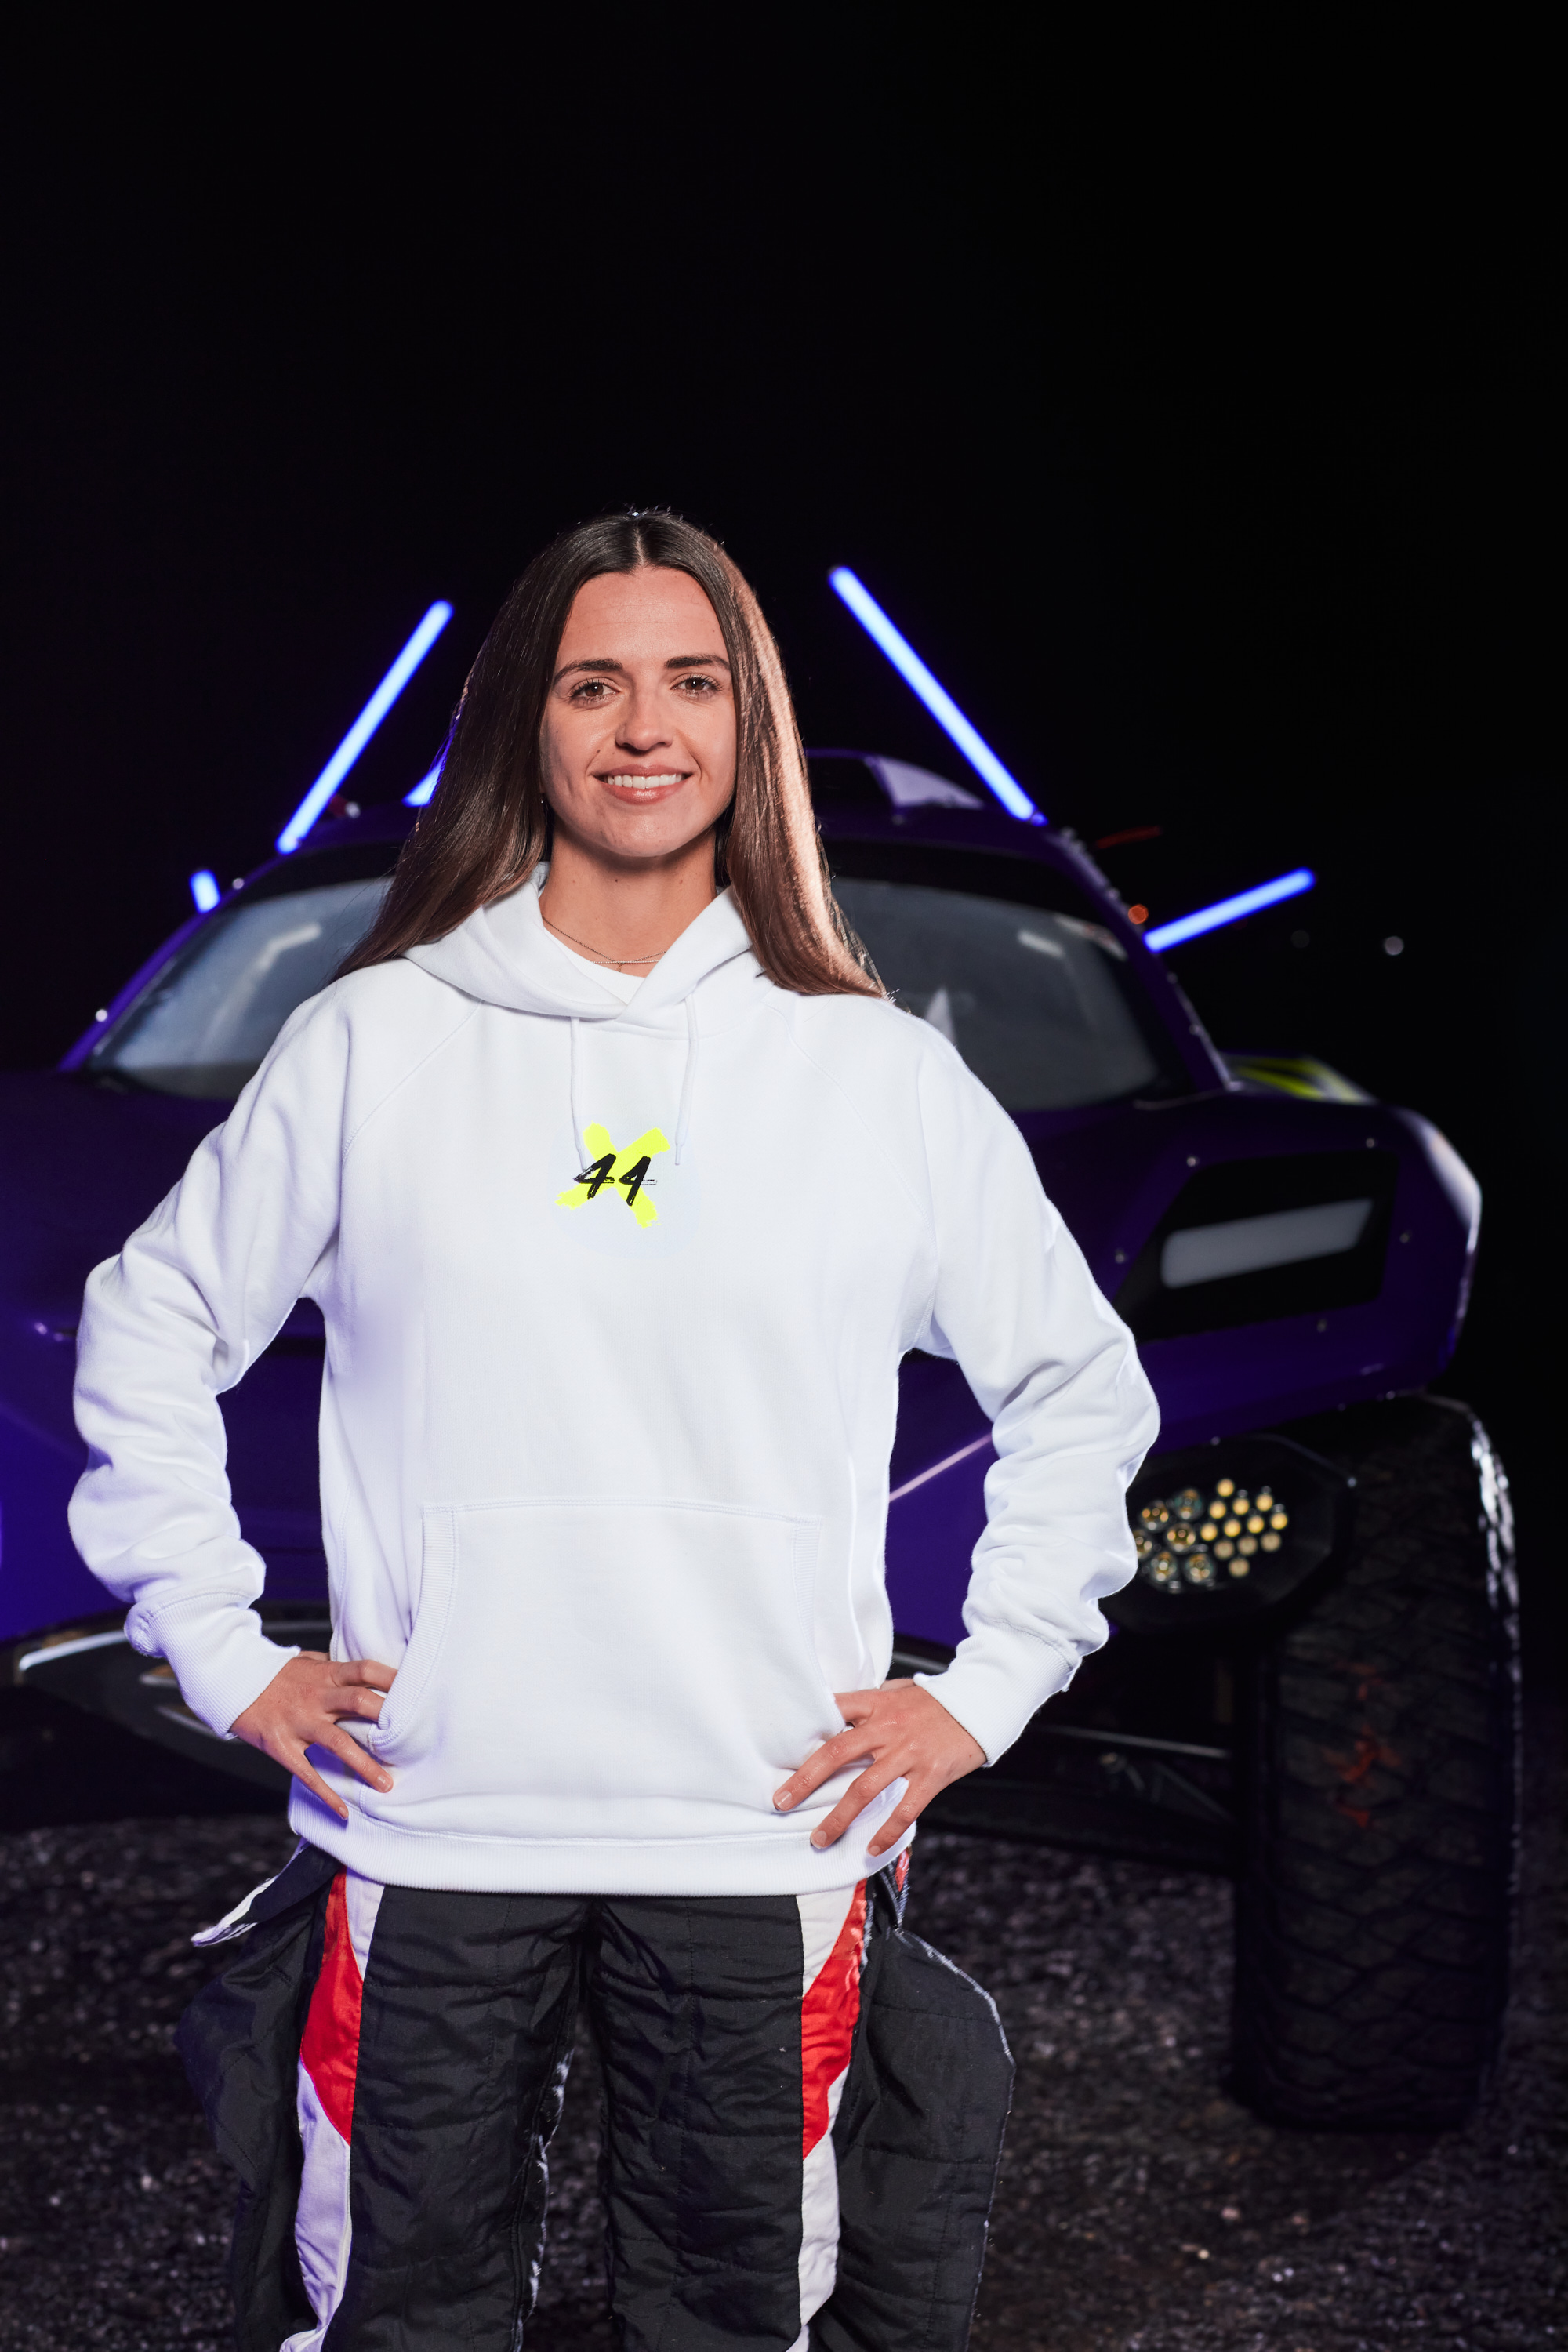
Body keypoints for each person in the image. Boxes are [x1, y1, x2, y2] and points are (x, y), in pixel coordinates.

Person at [69, 511, 1159, 2350]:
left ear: (749, 725)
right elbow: (152, 1317)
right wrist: (219, 1644)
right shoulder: (375, 1040)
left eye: (691, 681)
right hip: (433, 1827)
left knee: (732, 2323)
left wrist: (984, 1690)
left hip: (758, 1834)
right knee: (393, 2316)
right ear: (528, 720)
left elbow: (1077, 1383)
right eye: (592, 684)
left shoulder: (872, 1073)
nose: (643, 726)